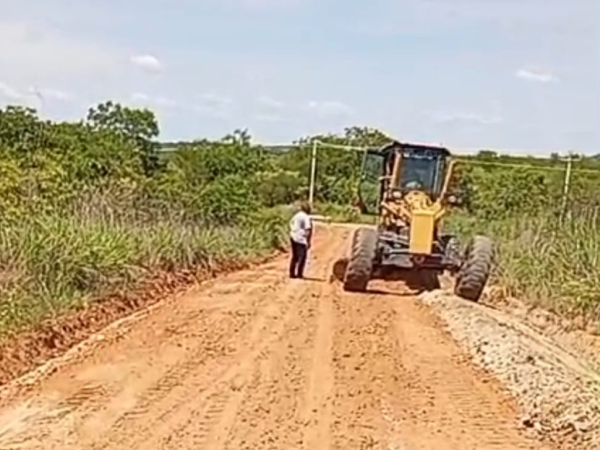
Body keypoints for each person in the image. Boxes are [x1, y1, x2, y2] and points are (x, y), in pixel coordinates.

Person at [289, 201, 313, 279]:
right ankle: (299, 274)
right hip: (301, 238)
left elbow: (291, 224)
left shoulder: (296, 216)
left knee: (294, 256)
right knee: (302, 257)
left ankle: (292, 273)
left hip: (293, 236)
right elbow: (308, 230)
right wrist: (308, 241)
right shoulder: (306, 217)